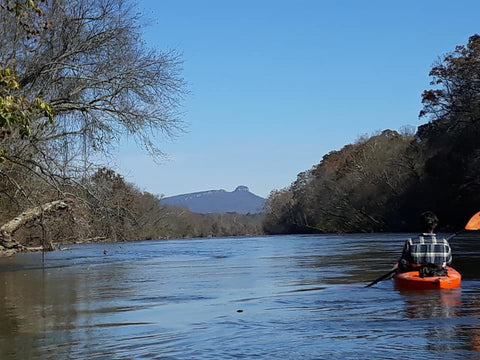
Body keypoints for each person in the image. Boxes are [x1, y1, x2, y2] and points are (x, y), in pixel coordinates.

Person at [398, 211, 452, 277]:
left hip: (417, 276)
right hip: (438, 274)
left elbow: (403, 264)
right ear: (435, 225)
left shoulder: (410, 242)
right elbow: (448, 262)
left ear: (420, 224)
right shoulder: (444, 242)